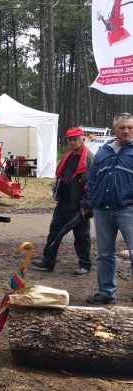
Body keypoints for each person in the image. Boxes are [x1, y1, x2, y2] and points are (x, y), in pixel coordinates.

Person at [84, 113, 133, 305]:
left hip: (128, 210)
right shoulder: (104, 151)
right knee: (105, 254)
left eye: (130, 127)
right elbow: (93, 178)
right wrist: (92, 201)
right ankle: (106, 292)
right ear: (114, 130)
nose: (126, 131)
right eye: (122, 127)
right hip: (103, 210)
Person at [31, 127, 94, 275]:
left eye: (75, 139)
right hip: (64, 203)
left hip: (79, 206)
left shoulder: (89, 159)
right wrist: (57, 191)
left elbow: (92, 185)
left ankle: (84, 264)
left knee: (81, 236)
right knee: (54, 232)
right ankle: (48, 261)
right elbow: (62, 177)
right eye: (70, 140)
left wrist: (86, 205)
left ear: (82, 139)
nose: (72, 142)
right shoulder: (70, 156)